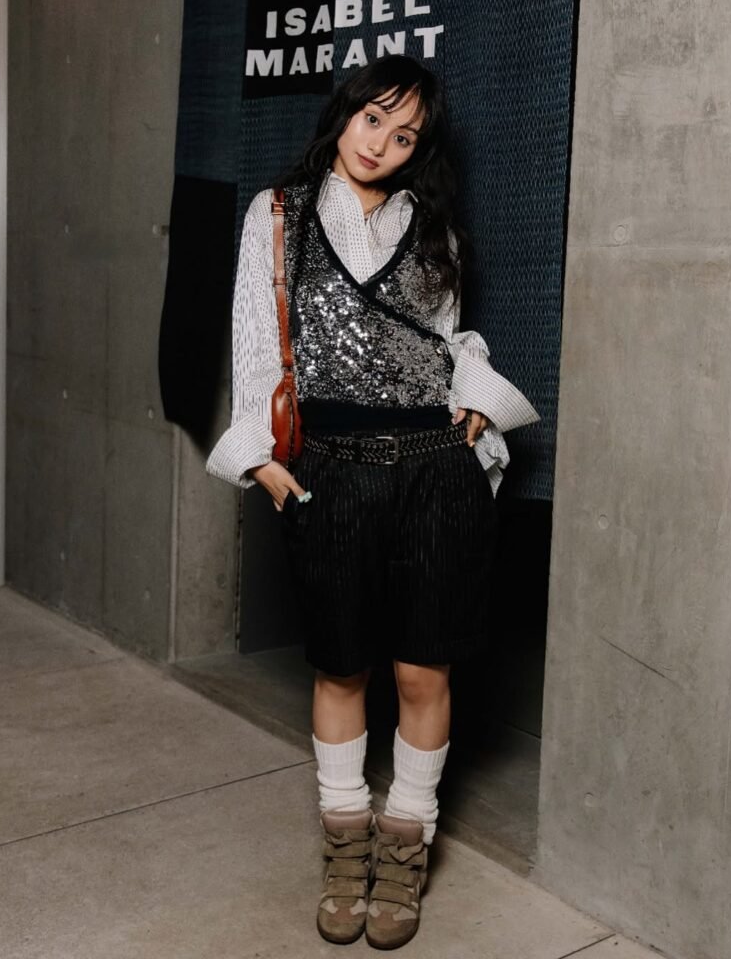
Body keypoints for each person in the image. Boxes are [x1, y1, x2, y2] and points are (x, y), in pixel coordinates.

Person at [207, 54, 538, 950]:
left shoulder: (434, 225)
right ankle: (345, 846)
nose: (382, 144)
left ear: (419, 150)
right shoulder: (277, 214)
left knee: (423, 673)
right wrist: (264, 465)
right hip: (332, 469)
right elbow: (255, 343)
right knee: (342, 668)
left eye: (405, 135)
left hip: (437, 465)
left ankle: (404, 849)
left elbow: (448, 337)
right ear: (346, 112)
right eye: (373, 119)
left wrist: (475, 401)